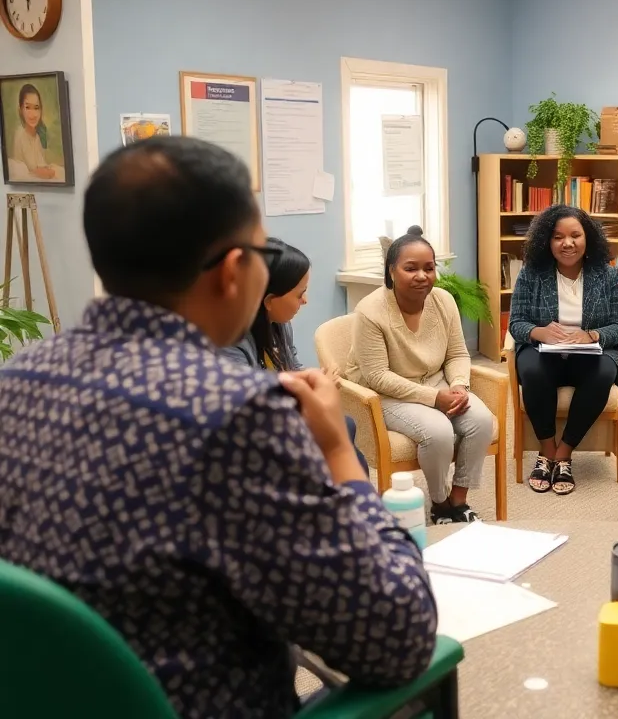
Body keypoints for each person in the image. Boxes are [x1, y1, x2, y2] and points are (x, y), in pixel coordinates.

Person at [0, 136, 436, 719]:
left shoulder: (16, 378)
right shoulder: (240, 412)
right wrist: (337, 449)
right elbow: (397, 638)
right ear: (235, 272)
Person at [348, 225, 494, 524]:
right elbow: (377, 376)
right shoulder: (371, 311)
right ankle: (439, 502)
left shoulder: (443, 301)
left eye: (429, 268)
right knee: (438, 432)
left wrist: (458, 385)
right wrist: (434, 398)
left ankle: (458, 500)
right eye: (410, 268)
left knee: (480, 420)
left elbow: (457, 354)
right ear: (391, 271)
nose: (422, 276)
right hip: (387, 393)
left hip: (437, 381)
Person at [218, 236, 369, 476]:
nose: (305, 301)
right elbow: (251, 405)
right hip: (256, 434)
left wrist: (315, 378)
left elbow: (293, 367)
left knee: (345, 426)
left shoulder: (278, 324)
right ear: (269, 300)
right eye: (300, 294)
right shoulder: (229, 341)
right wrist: (313, 390)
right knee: (340, 431)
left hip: (282, 416)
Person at [509, 205, 618, 496]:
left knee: (603, 374)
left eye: (575, 235)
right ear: (547, 241)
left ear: (588, 239)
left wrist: (592, 335)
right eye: (558, 237)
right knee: (533, 370)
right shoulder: (532, 273)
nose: (567, 243)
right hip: (543, 352)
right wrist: (539, 332)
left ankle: (563, 454)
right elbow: (516, 323)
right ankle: (546, 450)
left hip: (588, 354)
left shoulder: (607, 275)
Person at [7, 83, 63, 182]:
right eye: (28, 107)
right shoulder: (19, 135)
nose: (33, 114)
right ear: (20, 109)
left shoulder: (38, 136)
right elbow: (20, 173)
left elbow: (42, 166)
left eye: (36, 108)